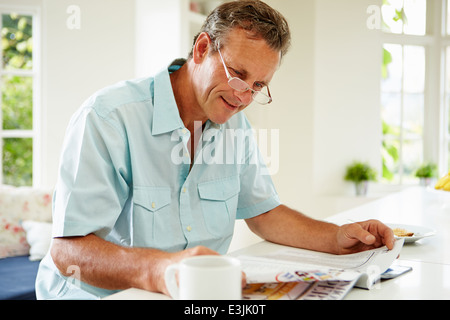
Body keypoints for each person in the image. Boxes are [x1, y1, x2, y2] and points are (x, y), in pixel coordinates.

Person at [36, 0, 395, 299]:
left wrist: (335, 237)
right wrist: (160, 270)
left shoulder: (233, 124)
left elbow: (263, 212)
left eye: (257, 86)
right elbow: (69, 249)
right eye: (238, 74)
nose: (243, 97)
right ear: (202, 48)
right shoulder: (108, 118)